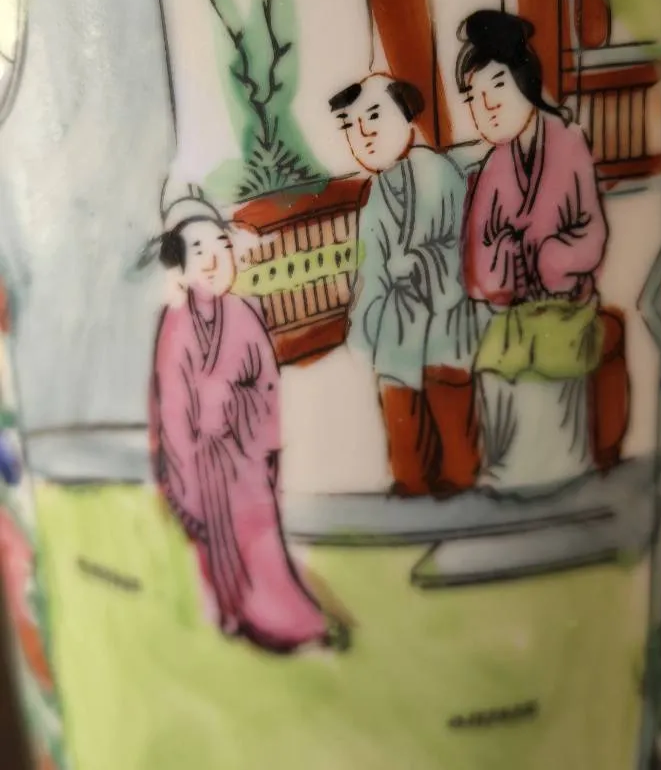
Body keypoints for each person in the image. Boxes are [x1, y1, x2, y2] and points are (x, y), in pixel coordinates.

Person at [148, 187, 347, 653]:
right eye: (199, 250)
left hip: (248, 453)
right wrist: (184, 464)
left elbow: (267, 384)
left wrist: (262, 438)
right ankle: (234, 612)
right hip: (205, 459)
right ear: (182, 263)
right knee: (216, 547)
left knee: (260, 542)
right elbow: (172, 403)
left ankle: (287, 621)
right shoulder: (176, 325)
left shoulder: (243, 313)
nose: (213, 259)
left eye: (221, 245)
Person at [457, 10, 627, 491]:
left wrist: (551, 256)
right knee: (496, 359)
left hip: (567, 299)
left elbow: (592, 232)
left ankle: (561, 465)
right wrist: (505, 263)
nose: (487, 106)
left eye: (497, 87)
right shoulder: (495, 164)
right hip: (518, 305)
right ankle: (509, 468)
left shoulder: (569, 142)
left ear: (524, 81)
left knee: (550, 352)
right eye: (474, 97)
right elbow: (479, 254)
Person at [329, 74, 483, 498]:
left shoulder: (440, 173)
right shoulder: (376, 196)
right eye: (352, 126)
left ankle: (460, 472)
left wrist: (416, 263)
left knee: (447, 391)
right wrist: (364, 326)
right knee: (399, 397)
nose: (364, 133)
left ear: (407, 117)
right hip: (398, 320)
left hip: (443, 310)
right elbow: (371, 271)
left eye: (374, 116)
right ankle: (410, 476)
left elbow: (460, 243)